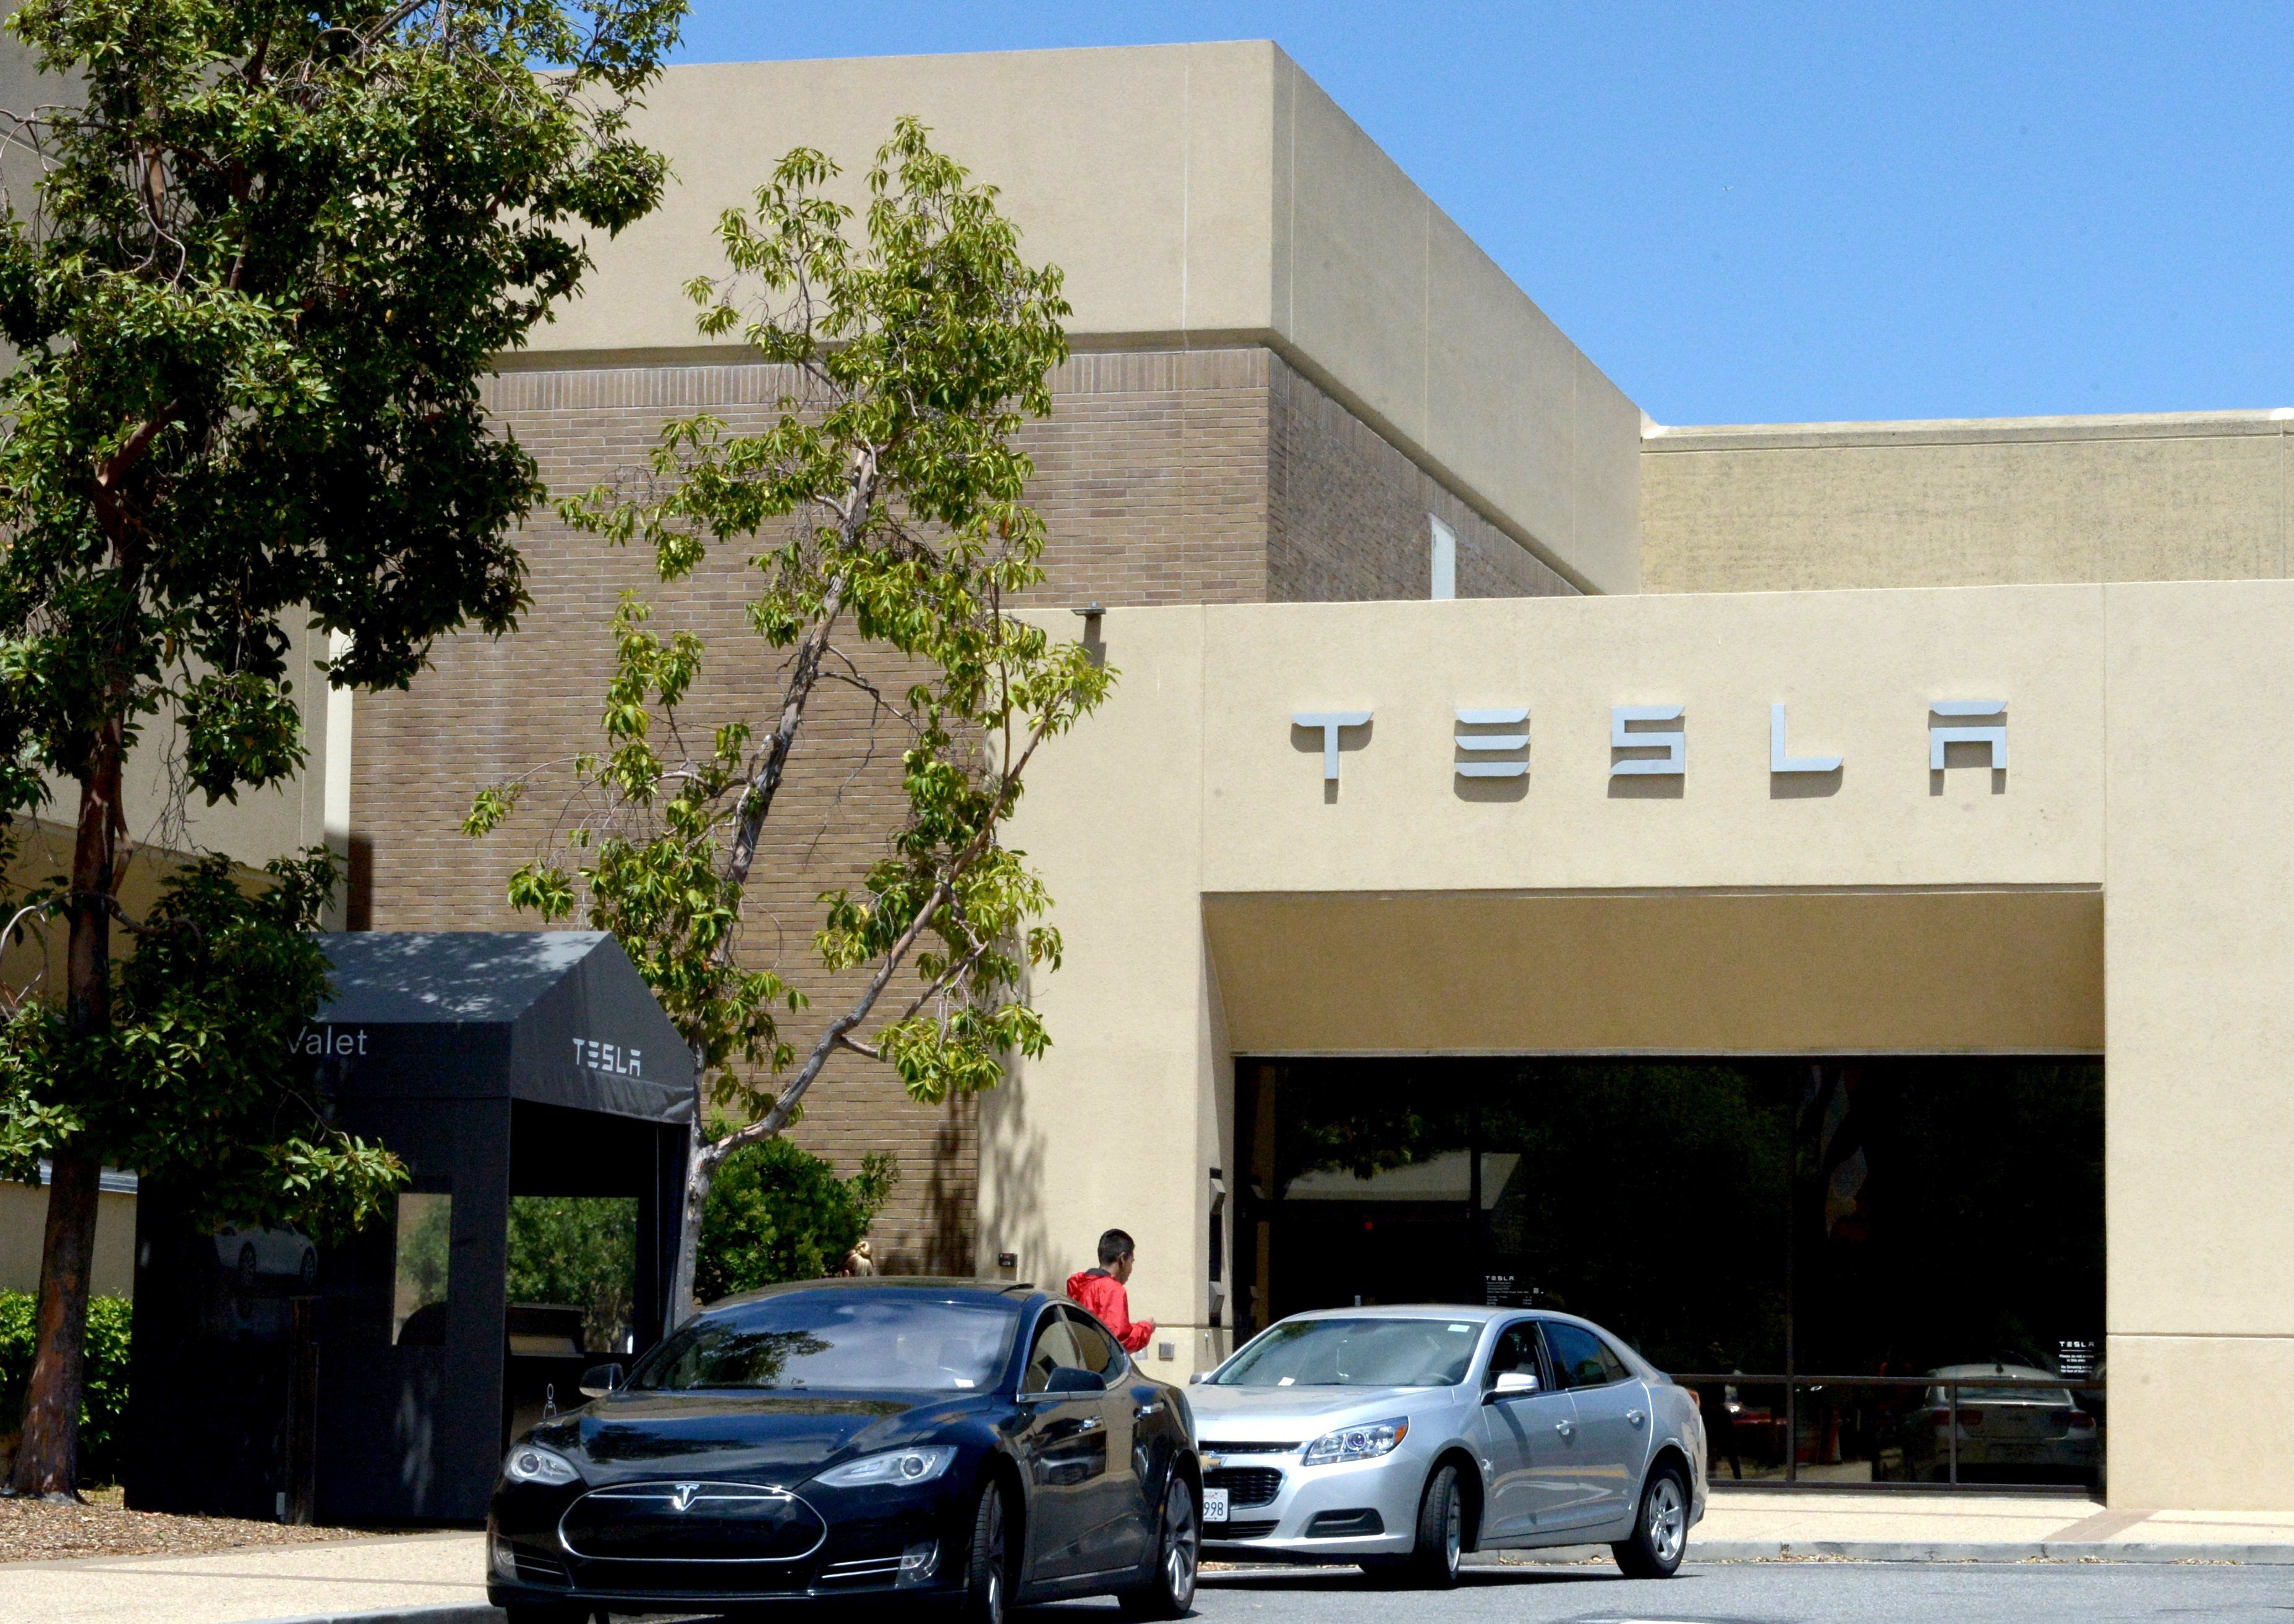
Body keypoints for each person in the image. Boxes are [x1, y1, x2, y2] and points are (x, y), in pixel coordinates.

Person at [1065, 1228, 1155, 1354]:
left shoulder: (1080, 1287)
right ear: (1123, 1259)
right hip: (1102, 1371)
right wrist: (1146, 1328)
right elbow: (1118, 1342)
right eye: (1132, 1262)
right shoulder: (1111, 1289)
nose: (1131, 1269)